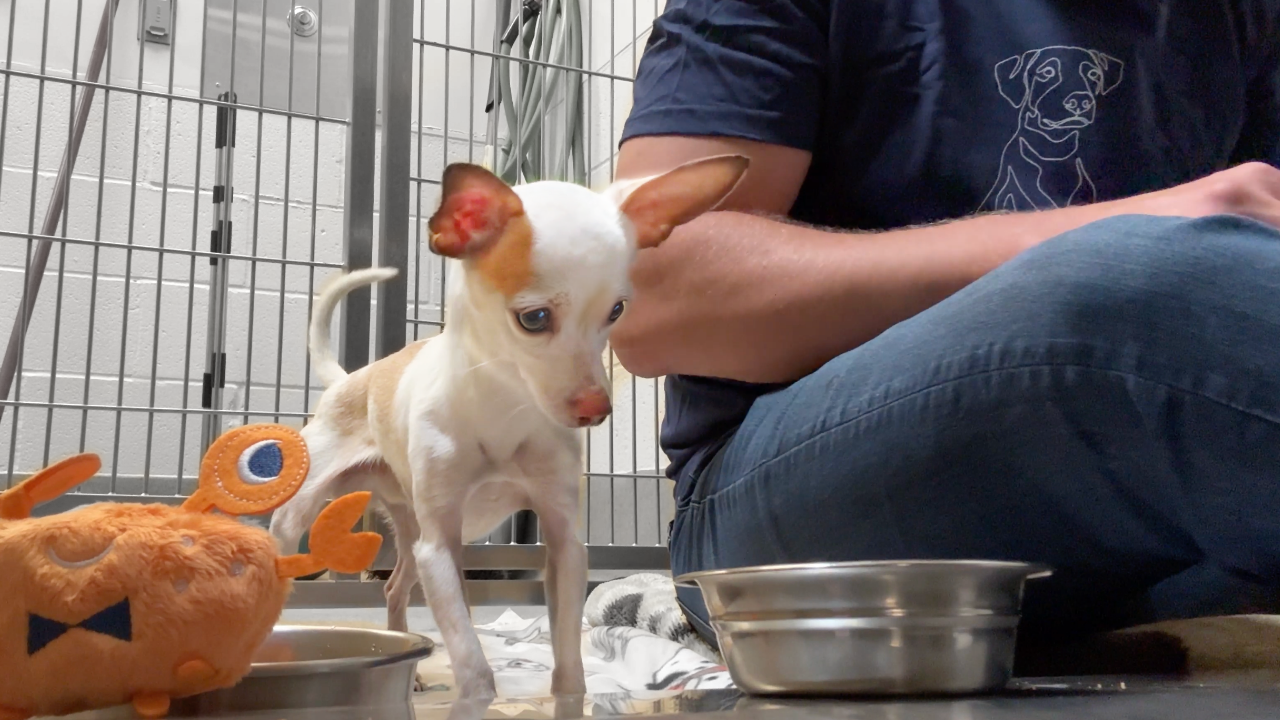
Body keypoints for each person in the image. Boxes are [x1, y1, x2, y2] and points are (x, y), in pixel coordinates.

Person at [608, 0, 1280, 655]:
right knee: (1146, 294)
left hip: (1135, 513)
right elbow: (654, 295)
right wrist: (1109, 235)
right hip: (767, 499)